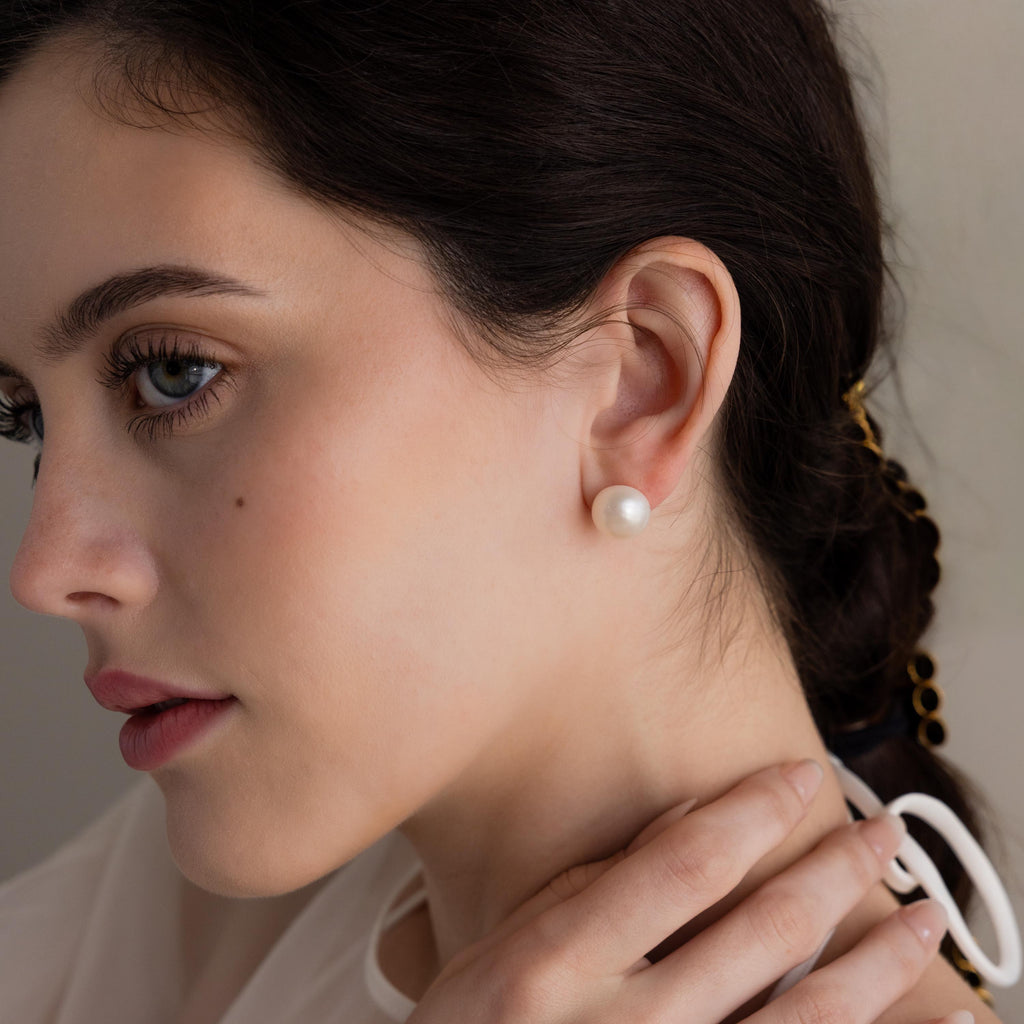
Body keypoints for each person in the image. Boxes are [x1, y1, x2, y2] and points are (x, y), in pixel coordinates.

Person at [0, 1, 1017, 1022]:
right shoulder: (178, 915)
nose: (45, 568)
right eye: (26, 417)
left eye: (174, 372)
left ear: (642, 376)